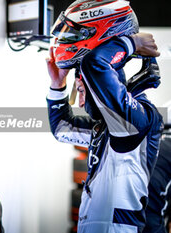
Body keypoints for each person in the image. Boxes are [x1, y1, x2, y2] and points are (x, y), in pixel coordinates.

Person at [46, 0, 164, 232]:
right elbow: (61, 128)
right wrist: (57, 84)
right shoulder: (110, 128)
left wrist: (131, 42)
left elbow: (96, 65)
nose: (80, 101)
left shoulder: (139, 120)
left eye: (81, 91)